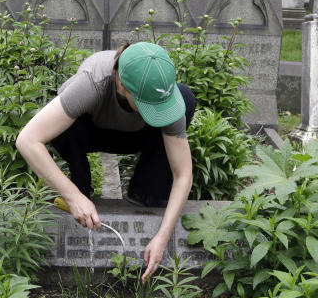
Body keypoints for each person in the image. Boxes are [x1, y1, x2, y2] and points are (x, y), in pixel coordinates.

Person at [16, 41, 196, 281]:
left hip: (138, 134)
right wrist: (73, 196)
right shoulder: (92, 82)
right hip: (89, 130)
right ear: (121, 84)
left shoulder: (164, 93)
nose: (159, 110)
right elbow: (27, 140)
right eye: (148, 104)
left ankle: (145, 192)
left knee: (187, 99)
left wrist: (163, 235)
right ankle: (81, 186)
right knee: (62, 127)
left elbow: (183, 174)